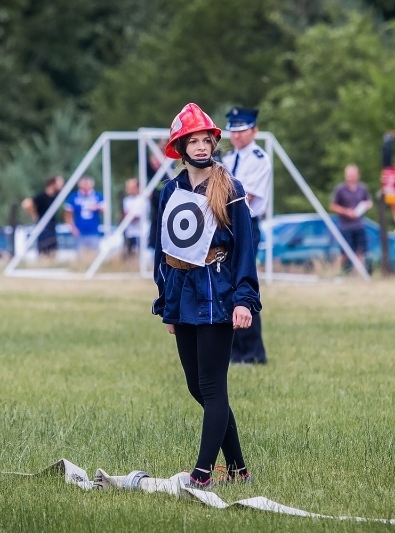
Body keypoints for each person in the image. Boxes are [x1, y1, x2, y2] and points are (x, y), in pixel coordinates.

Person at [153, 103, 260, 489]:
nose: (201, 147)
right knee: (197, 386)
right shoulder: (170, 190)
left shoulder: (230, 188)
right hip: (182, 295)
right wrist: (165, 302)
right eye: (192, 141)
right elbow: (162, 248)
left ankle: (201, 474)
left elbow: (247, 247)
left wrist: (244, 300)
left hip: (219, 292)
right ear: (180, 147)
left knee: (213, 386)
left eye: (206, 140)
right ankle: (238, 469)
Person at [220, 106, 270, 365]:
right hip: (225, 224)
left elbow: (244, 198)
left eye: (242, 130)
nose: (236, 136)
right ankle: (233, 350)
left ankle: (251, 352)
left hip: (246, 224)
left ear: (254, 131)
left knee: (244, 284)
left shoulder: (259, 159)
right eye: (233, 130)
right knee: (225, 285)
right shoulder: (227, 160)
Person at [329, 163, 373, 272]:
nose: (350, 176)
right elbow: (333, 206)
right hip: (345, 226)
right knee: (345, 253)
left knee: (361, 252)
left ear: (357, 175)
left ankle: (358, 274)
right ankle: (336, 272)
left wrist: (366, 206)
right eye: (348, 174)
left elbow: (369, 201)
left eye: (352, 174)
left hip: (359, 225)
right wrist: (346, 212)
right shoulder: (340, 189)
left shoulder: (362, 188)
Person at [21, 175, 64, 255]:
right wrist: (34, 215)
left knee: (53, 252)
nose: (62, 185)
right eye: (60, 183)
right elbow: (26, 204)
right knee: (44, 252)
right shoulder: (42, 196)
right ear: (53, 184)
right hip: (43, 229)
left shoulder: (56, 196)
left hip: (52, 228)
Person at [63, 176, 105, 251]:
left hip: (94, 231)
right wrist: (72, 228)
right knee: (80, 255)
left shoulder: (98, 196)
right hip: (79, 231)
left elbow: (105, 210)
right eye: (84, 184)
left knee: (94, 253)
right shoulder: (73, 197)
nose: (86, 186)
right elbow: (67, 215)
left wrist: (97, 207)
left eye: (87, 184)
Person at [121, 177, 148, 258]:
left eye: (131, 187)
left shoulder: (143, 200)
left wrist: (130, 215)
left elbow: (136, 217)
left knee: (140, 254)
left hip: (141, 232)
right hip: (130, 232)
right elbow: (126, 214)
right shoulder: (126, 200)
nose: (129, 189)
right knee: (129, 254)